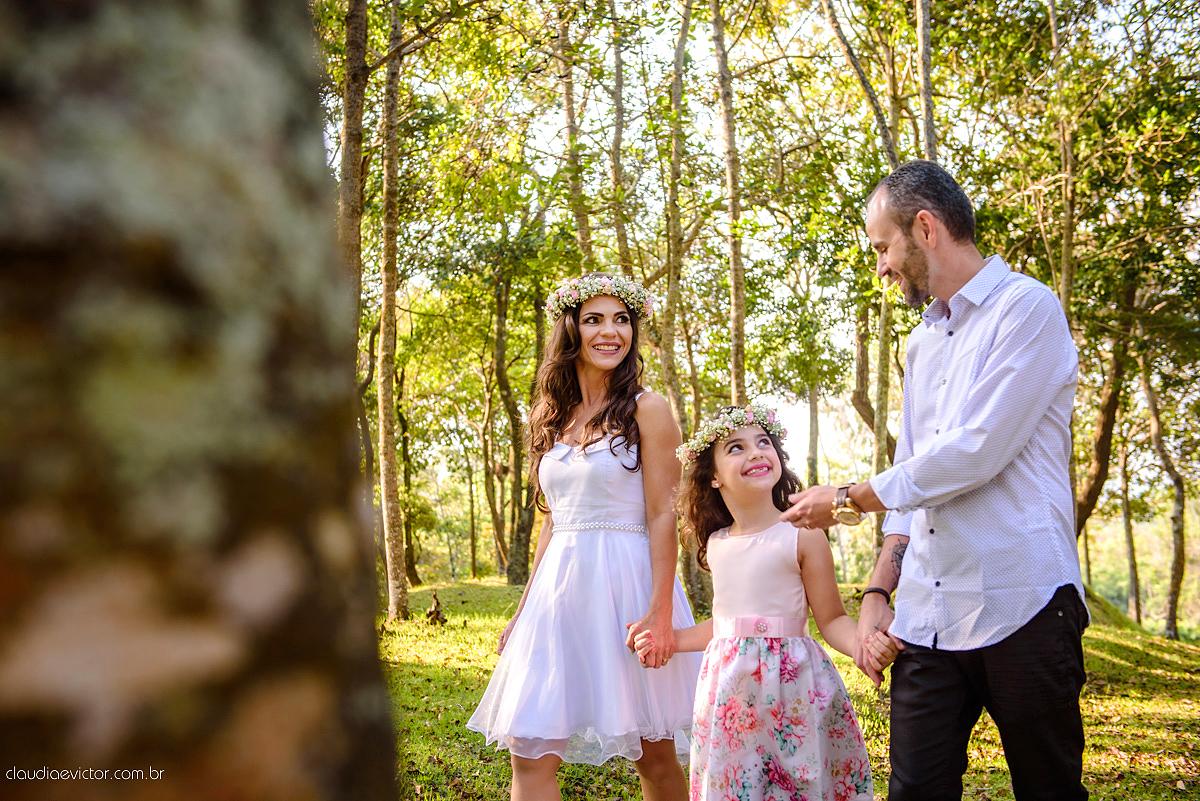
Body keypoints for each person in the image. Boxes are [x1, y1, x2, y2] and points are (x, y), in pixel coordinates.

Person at [781, 160, 1088, 800]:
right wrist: (876, 592)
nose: (882, 267)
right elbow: (915, 472)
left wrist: (849, 498)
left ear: (925, 228)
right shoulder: (921, 343)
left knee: (1048, 791)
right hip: (927, 615)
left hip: (1023, 600)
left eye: (882, 247)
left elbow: (978, 450)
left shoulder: (1027, 309)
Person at [467, 273, 702, 801]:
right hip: (558, 597)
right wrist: (523, 609)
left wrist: (660, 614)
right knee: (528, 752)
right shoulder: (551, 415)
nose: (610, 332)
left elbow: (664, 515)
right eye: (594, 319)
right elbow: (554, 518)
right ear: (570, 329)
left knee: (655, 757)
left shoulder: (650, 409)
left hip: (629, 587)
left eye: (622, 320)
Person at [634, 403, 897, 801]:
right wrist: (666, 640)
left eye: (763, 442)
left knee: (800, 782)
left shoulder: (802, 534)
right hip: (731, 696)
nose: (756, 452)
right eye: (736, 447)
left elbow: (830, 620)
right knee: (737, 786)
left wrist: (863, 645)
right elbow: (723, 626)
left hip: (796, 691)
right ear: (714, 478)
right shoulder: (718, 544)